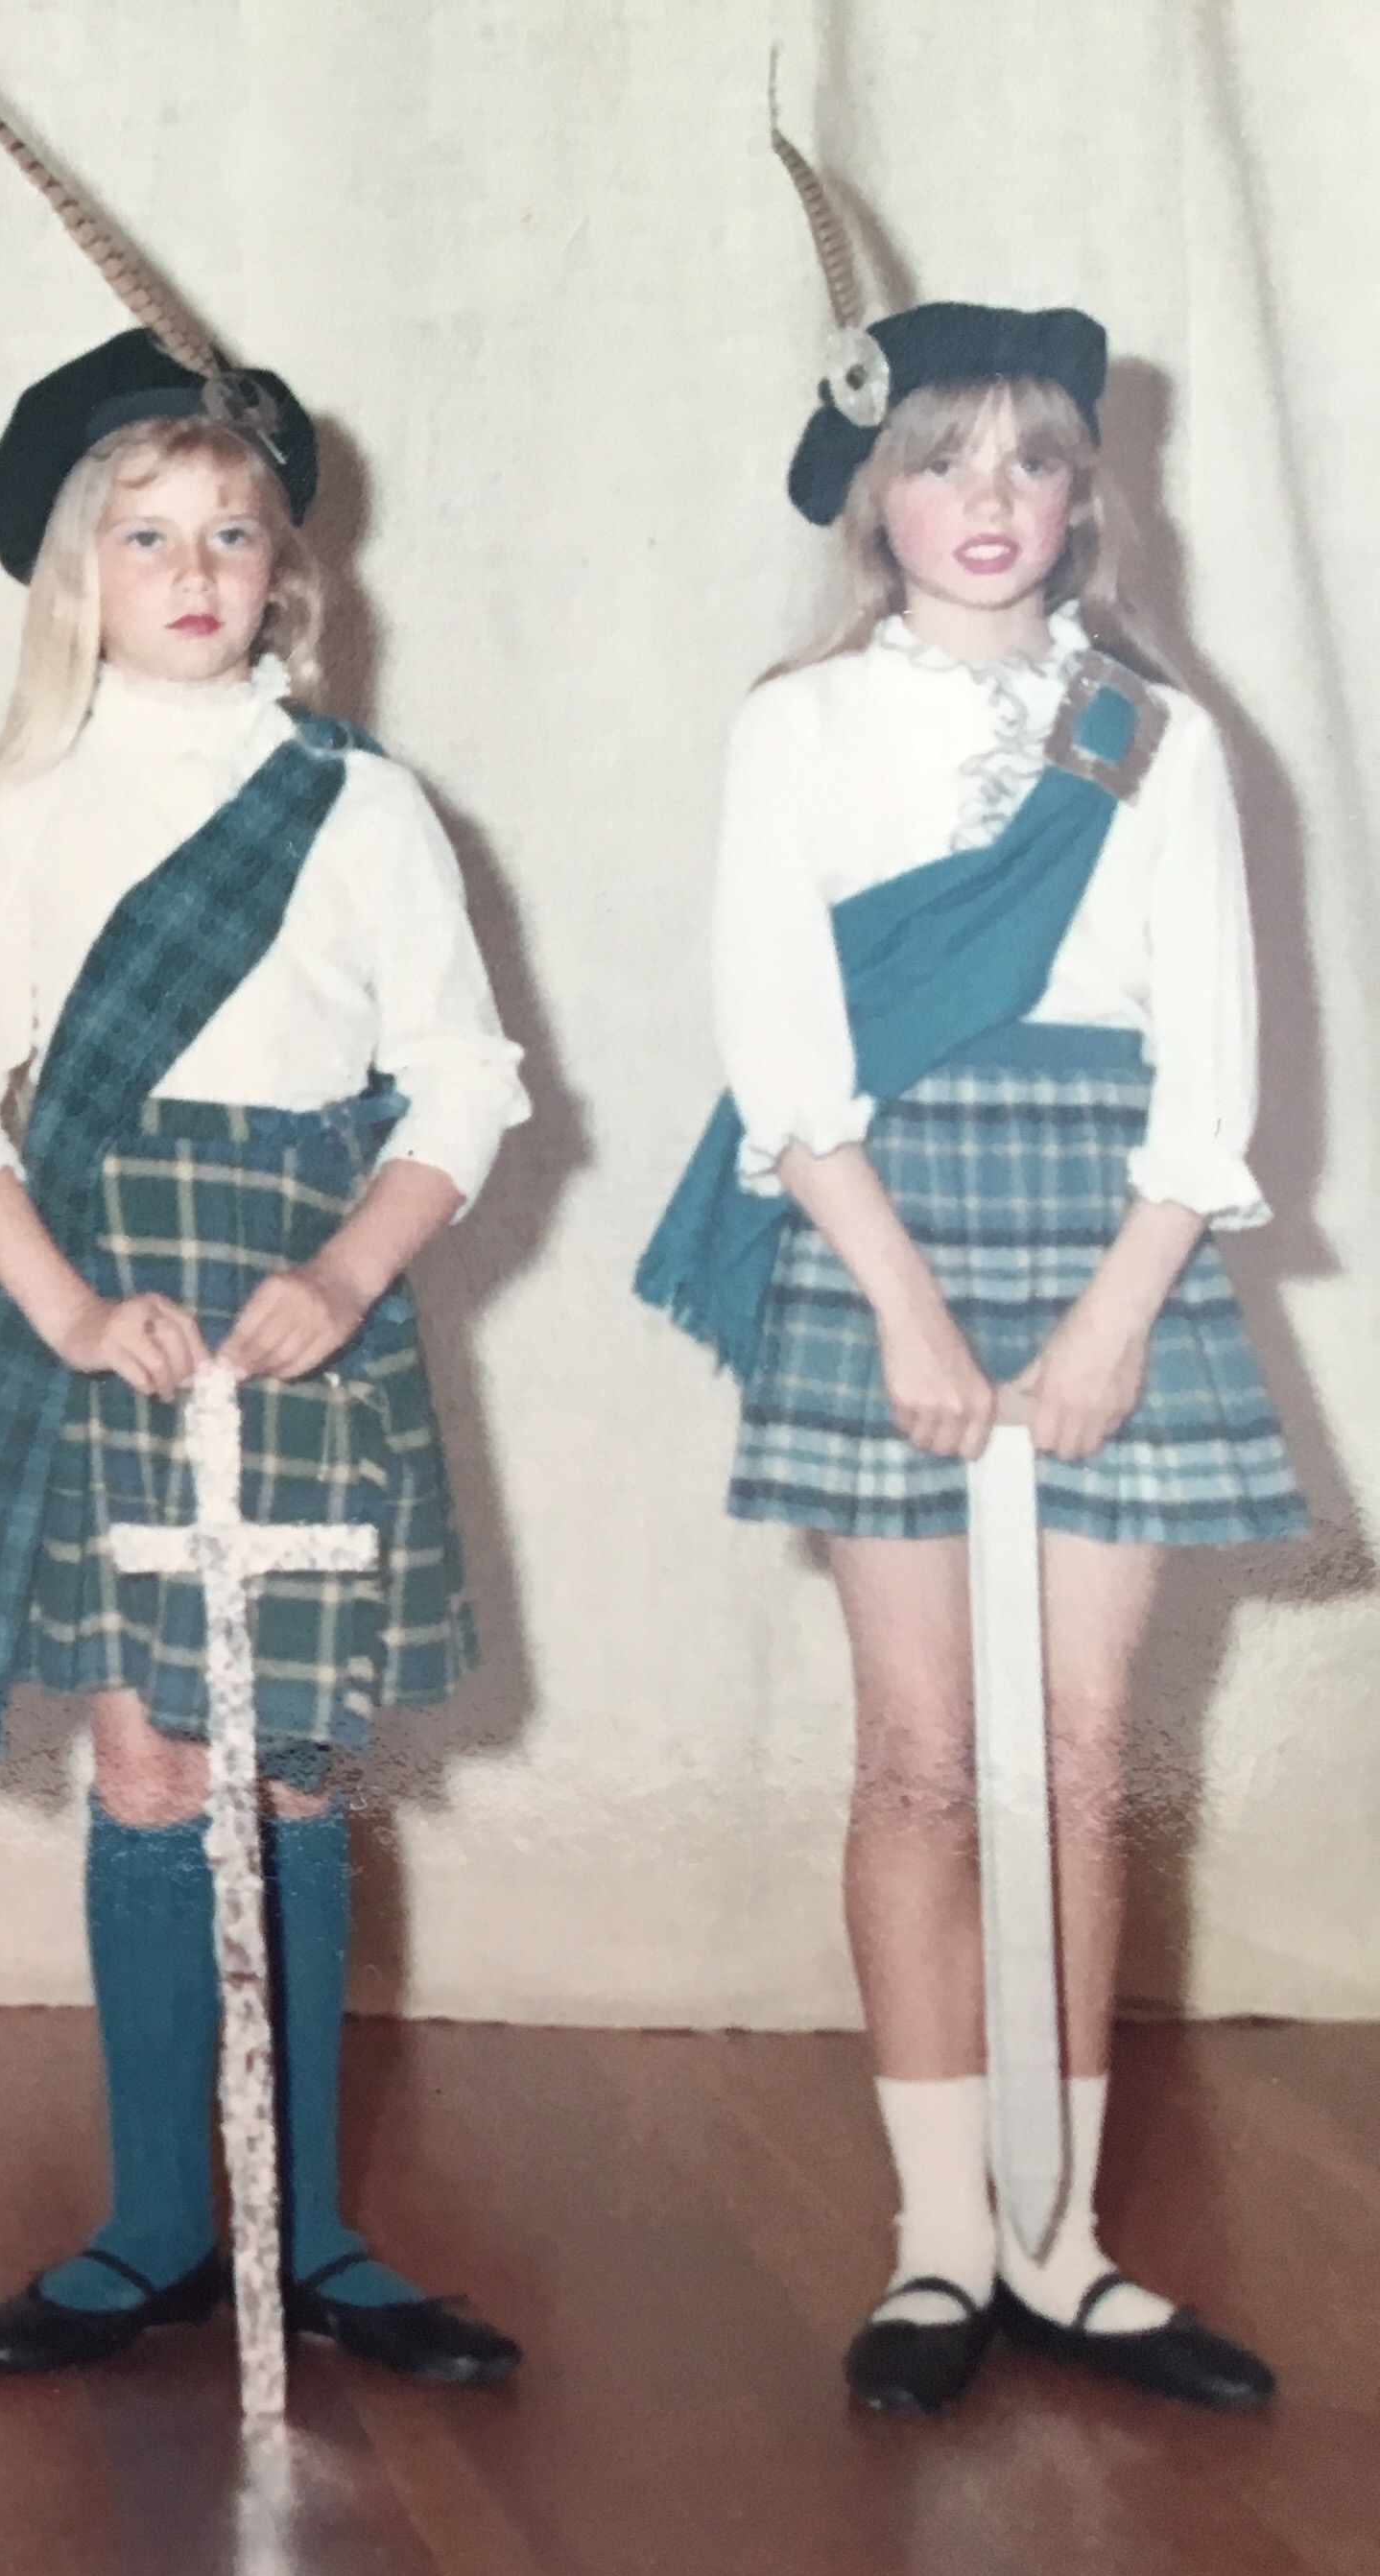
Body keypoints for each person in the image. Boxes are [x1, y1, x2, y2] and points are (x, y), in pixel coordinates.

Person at [0, 45, 531, 2390]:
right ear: (72, 570)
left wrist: (347, 1272)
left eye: (231, 531)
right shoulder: (16, 819)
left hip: (300, 1308)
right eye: (142, 534)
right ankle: (160, 2222)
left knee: (293, 1753)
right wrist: (67, 1311)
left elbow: (465, 1080)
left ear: (291, 568)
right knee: (152, 1754)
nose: (192, 573)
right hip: (118, 1312)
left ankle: (315, 2227)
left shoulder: (365, 807)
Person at [635, 134, 1302, 2417]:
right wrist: (908, 1308)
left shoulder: (1162, 737)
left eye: (1031, 459)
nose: (991, 497)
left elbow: (1213, 1047)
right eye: (942, 464)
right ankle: (939, 2247)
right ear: (876, 503)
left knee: (1089, 1755)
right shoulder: (795, 728)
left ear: (1084, 498)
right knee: (925, 1756)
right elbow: (780, 1052)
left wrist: (1124, 1304)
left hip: (1109, 1233)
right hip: (880, 1236)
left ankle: (1069, 2241)